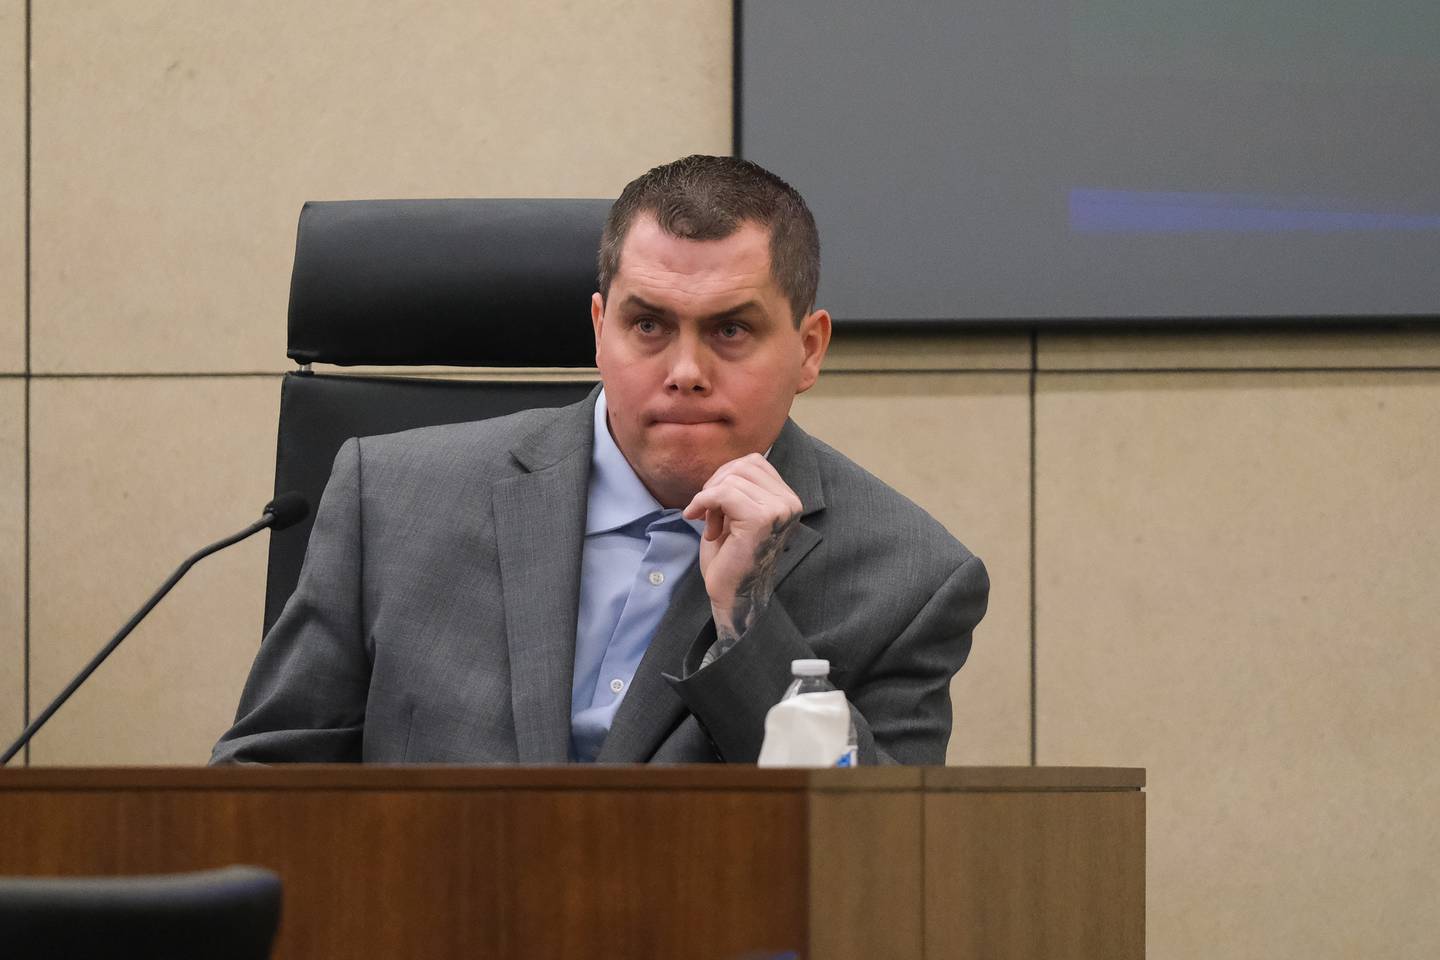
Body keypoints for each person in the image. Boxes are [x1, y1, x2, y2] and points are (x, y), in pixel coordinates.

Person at [212, 155, 988, 765]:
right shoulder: (390, 501)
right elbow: (266, 781)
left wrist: (748, 625)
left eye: (730, 331)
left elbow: (882, 849)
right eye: (648, 325)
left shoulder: (909, 578)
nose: (685, 369)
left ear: (809, 348)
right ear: (598, 328)